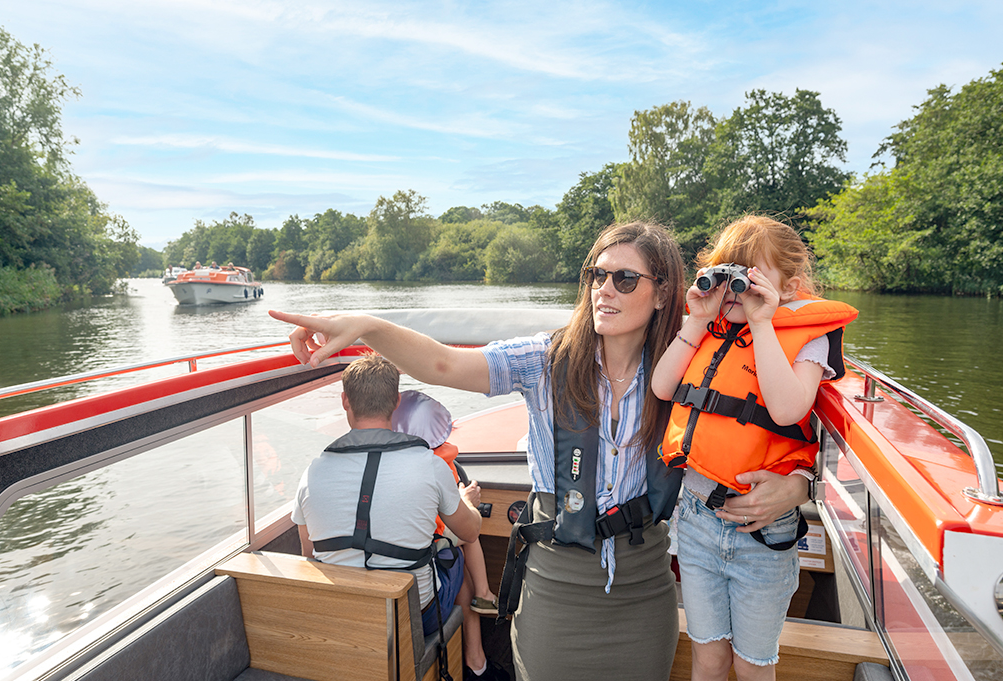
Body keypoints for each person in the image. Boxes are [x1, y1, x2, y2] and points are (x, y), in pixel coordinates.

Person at [271, 220, 811, 681]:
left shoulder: (690, 362)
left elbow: (771, 425)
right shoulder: (544, 360)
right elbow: (444, 365)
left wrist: (798, 485)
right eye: (597, 275)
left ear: (664, 291)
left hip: (643, 590)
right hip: (556, 588)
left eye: (625, 279)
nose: (605, 290)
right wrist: (367, 326)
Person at [652, 215, 857, 681]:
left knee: (751, 665)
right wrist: (698, 317)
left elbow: (786, 410)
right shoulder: (710, 327)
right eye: (727, 278)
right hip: (699, 523)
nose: (734, 294)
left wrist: (764, 323)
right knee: (708, 658)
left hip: (761, 537)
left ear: (792, 286)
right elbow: (664, 387)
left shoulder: (804, 340)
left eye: (749, 280)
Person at [291, 354, 482, 637]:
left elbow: (310, 555)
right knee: (455, 558)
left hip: (342, 613)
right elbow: (470, 531)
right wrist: (467, 502)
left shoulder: (312, 472)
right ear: (396, 402)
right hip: (413, 615)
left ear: (345, 401)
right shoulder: (430, 464)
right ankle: (474, 663)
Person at [392, 390, 507, 681]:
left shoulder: (384, 466)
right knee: (459, 550)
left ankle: (474, 660)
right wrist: (468, 501)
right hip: (422, 585)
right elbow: (467, 528)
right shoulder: (438, 467)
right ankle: (476, 654)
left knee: (450, 557)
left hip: (383, 588)